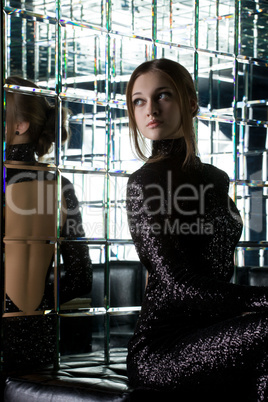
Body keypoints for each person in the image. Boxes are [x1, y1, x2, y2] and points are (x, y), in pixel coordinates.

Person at [125, 58, 268, 400]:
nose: (150, 110)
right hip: (162, 350)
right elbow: (177, 285)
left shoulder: (216, 179)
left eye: (163, 96)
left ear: (190, 102)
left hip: (215, 332)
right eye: (139, 101)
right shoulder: (144, 183)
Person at [3, 76, 92, 368]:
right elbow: (81, 277)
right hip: (39, 342)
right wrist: (40, 304)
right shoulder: (61, 185)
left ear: (21, 125)